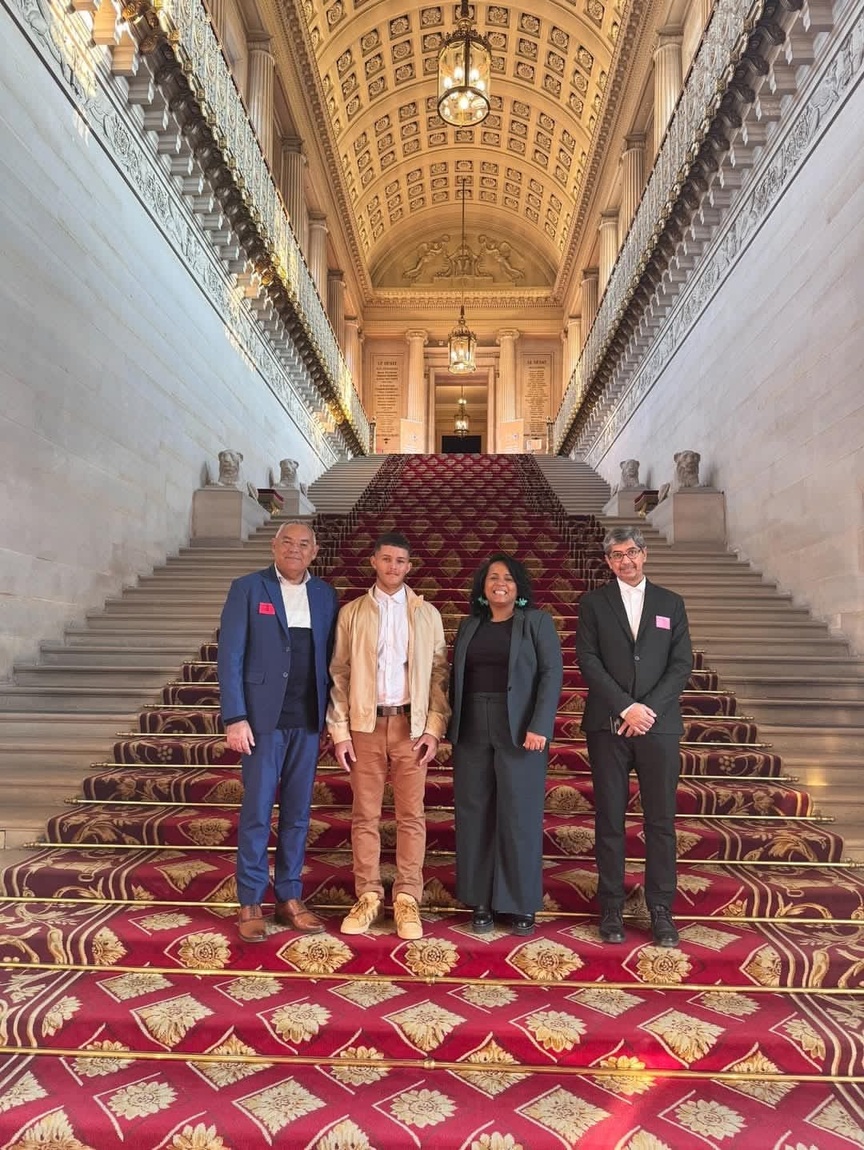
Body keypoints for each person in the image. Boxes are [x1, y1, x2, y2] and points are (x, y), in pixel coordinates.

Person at [218, 521, 339, 943]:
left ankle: (289, 896)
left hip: (307, 722)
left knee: (297, 816)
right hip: (262, 723)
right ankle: (251, 898)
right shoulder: (248, 589)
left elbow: (330, 660)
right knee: (256, 813)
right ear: (273, 545)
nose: (295, 549)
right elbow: (230, 655)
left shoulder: (325, 595)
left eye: (303, 544)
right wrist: (235, 716)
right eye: (287, 542)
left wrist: (331, 719)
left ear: (315, 551)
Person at [327, 531, 450, 941]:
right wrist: (340, 731)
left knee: (411, 816)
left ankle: (408, 897)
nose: (393, 567)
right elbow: (340, 673)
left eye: (401, 561)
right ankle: (367, 895)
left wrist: (434, 726)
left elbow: (438, 674)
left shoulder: (427, 614)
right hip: (364, 725)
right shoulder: (353, 613)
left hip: (409, 727)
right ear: (373, 562)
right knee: (365, 815)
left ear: (409, 567)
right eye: (386, 559)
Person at [576, 525, 692, 947]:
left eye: (631, 552)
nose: (625, 560)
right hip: (609, 726)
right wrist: (626, 707)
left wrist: (647, 711)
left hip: (658, 728)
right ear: (607, 562)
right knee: (609, 819)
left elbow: (681, 664)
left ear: (644, 555)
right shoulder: (593, 603)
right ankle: (611, 906)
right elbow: (587, 659)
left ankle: (660, 908)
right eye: (616, 555)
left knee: (660, 821)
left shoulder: (670, 603)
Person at [448, 554, 563, 936]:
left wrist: (540, 725)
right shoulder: (468, 626)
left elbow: (551, 675)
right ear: (482, 587)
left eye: (509, 578)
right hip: (472, 727)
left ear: (519, 587)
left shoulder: (537, 623)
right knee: (474, 812)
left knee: (519, 814)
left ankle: (519, 902)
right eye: (493, 578)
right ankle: (479, 899)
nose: (501, 583)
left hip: (520, 728)